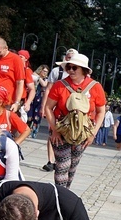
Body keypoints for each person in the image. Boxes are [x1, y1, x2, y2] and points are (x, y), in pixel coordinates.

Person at [43, 53, 106, 188]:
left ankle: (66, 195)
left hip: (82, 132)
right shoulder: (59, 85)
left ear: (84, 70)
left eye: (74, 68)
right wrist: (54, 130)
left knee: (72, 167)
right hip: (61, 129)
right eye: (68, 67)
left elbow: (101, 112)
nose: (70, 70)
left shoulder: (95, 87)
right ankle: (60, 196)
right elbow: (48, 108)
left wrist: (93, 133)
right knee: (62, 165)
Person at [28, 65, 49, 137]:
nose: (45, 73)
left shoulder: (45, 78)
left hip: (40, 98)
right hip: (32, 97)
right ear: (40, 70)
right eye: (44, 71)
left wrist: (39, 77)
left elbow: (44, 84)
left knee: (37, 116)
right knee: (30, 114)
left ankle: (34, 132)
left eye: (47, 71)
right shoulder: (34, 75)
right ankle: (27, 130)